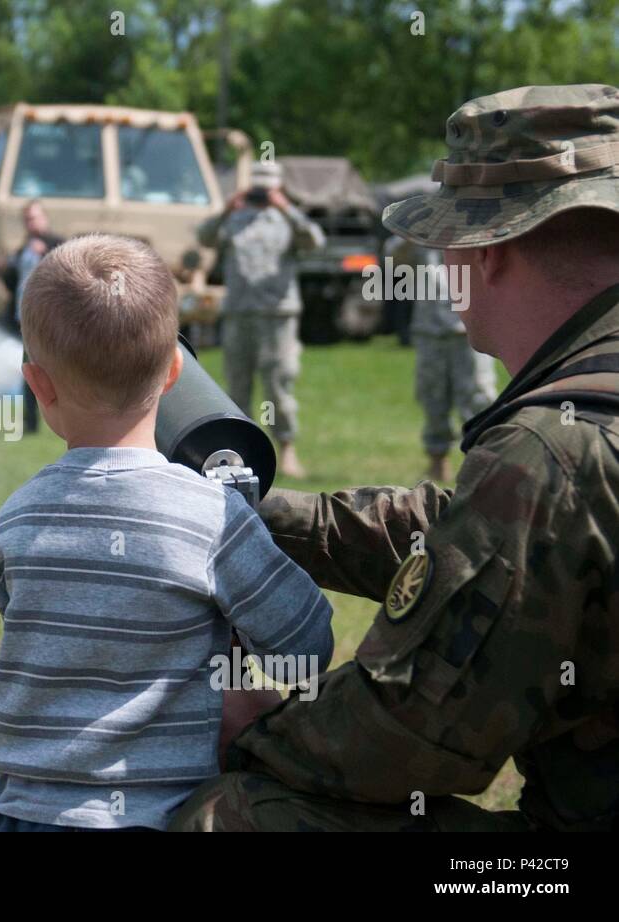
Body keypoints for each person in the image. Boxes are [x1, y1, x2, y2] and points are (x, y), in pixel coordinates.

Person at [171, 84, 619, 832]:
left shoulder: (551, 449)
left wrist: (252, 725)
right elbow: (467, 527)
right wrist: (253, 516)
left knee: (231, 818)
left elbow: (407, 733)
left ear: (493, 246)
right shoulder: (576, 425)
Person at [0, 234, 333, 831]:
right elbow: (307, 648)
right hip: (153, 815)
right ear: (176, 371)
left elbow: (40, 616)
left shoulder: (18, 515)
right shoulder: (213, 518)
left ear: (38, 387)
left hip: (18, 815)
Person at [198, 161, 325, 478]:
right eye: (257, 184)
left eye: (268, 185)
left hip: (277, 315)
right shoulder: (235, 220)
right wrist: (226, 210)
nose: (262, 191)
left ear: (278, 187)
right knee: (237, 388)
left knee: (278, 385)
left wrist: (288, 211)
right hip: (239, 314)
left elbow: (315, 242)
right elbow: (204, 237)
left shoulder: (288, 221)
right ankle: (240, 454)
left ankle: (287, 449)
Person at [392, 238, 498, 480]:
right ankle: (437, 459)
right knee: (432, 396)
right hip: (430, 330)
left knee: (478, 396)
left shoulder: (475, 229)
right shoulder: (422, 232)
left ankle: (483, 462)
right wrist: (413, 232)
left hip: (470, 328)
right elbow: (394, 258)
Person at [0, 200, 64, 433]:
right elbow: (11, 283)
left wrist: (46, 253)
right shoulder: (23, 248)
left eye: (35, 217)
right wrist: (4, 267)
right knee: (28, 372)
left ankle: (52, 420)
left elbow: (69, 274)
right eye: (27, 219)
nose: (31, 223)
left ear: (44, 218)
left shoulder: (57, 243)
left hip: (48, 320)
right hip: (23, 319)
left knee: (46, 372)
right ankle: (31, 422)